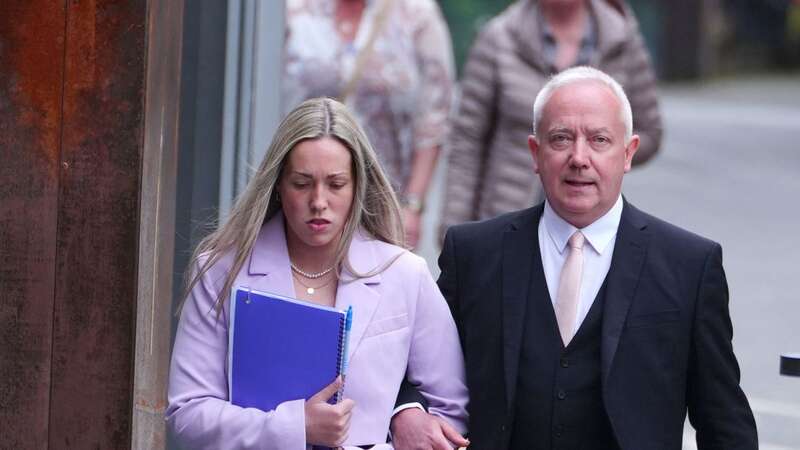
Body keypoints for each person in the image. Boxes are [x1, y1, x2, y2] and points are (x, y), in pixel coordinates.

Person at [391, 67, 757, 450]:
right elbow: (402, 363)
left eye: (599, 140)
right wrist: (407, 411)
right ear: (535, 152)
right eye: (561, 138)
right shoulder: (474, 254)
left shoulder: (689, 267)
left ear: (628, 153)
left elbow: (725, 422)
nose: (578, 158)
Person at [166, 98, 468, 449]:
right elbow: (187, 413)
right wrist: (295, 427)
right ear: (278, 184)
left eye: (336, 184)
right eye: (302, 183)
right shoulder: (221, 270)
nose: (319, 201)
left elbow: (451, 410)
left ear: (357, 187)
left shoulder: (404, 274)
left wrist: (402, 420)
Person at [441, 0, 662, 240]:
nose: (577, 156)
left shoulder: (620, 37)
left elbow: (650, 129)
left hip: (592, 227)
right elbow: (467, 140)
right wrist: (454, 229)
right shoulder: (499, 37)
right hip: (506, 216)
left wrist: (600, 152)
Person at [283, 0, 455, 248]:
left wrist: (413, 205)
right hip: (306, 193)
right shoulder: (292, 9)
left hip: (383, 201)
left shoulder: (417, 14)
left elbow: (435, 117)